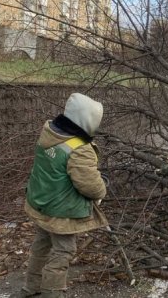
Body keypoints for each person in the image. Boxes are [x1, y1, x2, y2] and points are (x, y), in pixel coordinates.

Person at [13, 93, 108, 298]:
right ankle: (52, 294)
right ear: (88, 120)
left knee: (41, 246)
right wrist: (102, 191)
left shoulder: (49, 131)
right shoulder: (80, 149)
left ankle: (31, 287)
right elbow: (90, 185)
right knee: (63, 252)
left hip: (41, 203)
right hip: (62, 212)